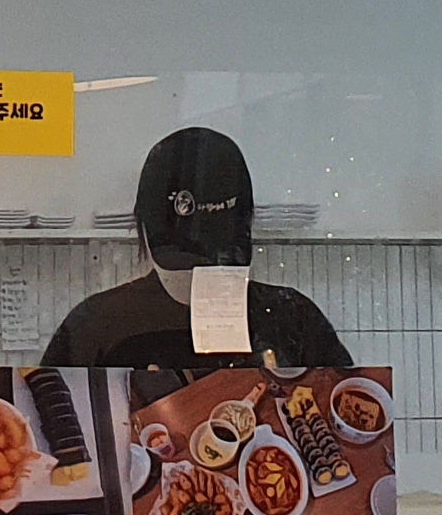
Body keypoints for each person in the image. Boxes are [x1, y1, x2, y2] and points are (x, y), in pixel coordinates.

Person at [36, 125, 350, 375]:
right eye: (183, 261)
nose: (197, 277)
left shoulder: (293, 319)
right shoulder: (97, 327)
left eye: (215, 261)